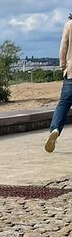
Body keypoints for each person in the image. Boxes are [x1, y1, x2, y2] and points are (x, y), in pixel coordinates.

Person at [46, 13, 72, 152]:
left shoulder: (69, 25)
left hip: (71, 71)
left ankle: (55, 129)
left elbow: (63, 47)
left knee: (64, 103)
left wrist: (63, 66)